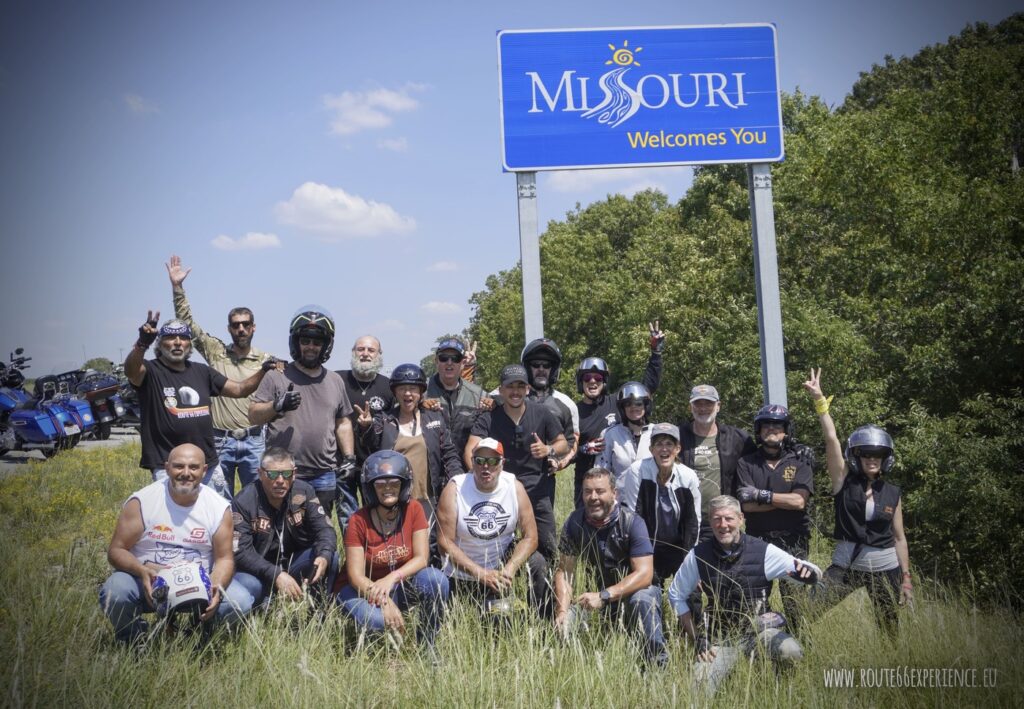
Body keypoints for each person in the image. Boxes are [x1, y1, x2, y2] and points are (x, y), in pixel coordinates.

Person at [667, 495, 821, 696]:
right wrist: (697, 638)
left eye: (729, 518)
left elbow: (808, 571)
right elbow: (676, 594)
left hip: (759, 632)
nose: (723, 525)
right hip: (719, 638)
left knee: (791, 652)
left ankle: (778, 690)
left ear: (741, 519)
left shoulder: (764, 551)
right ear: (710, 522)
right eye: (717, 519)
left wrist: (810, 574)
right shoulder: (698, 555)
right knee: (698, 691)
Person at [99, 444, 249, 644]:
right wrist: (141, 571)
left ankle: (202, 636)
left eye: (194, 467)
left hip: (199, 585)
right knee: (115, 591)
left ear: (204, 471)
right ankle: (133, 642)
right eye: (179, 466)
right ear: (167, 468)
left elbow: (224, 558)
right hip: (149, 583)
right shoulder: (142, 501)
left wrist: (215, 586)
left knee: (240, 601)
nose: (186, 473)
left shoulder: (218, 507)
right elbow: (116, 551)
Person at [803, 368, 912, 630]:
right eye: (866, 455)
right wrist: (820, 401)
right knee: (807, 612)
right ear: (857, 457)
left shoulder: (892, 492)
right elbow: (831, 440)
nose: (872, 460)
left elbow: (899, 537)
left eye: (877, 456)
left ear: (886, 459)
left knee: (889, 628)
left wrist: (906, 578)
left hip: (887, 569)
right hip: (846, 565)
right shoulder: (843, 481)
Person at [125, 311, 275, 498]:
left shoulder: (202, 371)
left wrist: (263, 371)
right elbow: (131, 372)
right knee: (175, 519)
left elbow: (239, 390)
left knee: (216, 514)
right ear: (160, 343)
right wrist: (141, 344)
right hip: (169, 465)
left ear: (190, 344)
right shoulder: (151, 371)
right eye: (170, 337)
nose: (177, 342)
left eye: (183, 337)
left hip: (207, 465)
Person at [168, 254, 277, 495]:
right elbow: (188, 325)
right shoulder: (215, 352)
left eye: (245, 324)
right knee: (215, 500)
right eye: (236, 325)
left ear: (253, 327)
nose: (241, 329)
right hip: (219, 440)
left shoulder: (266, 361)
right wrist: (178, 287)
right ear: (229, 328)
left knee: (257, 499)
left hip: (254, 440)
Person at [335, 451, 449, 654]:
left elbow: (422, 558)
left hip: (398, 585)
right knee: (379, 621)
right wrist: (383, 601)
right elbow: (355, 577)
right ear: (370, 488)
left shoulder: (414, 509)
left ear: (404, 485)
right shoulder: (358, 520)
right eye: (380, 484)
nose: (388, 489)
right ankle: (377, 650)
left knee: (436, 580)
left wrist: (392, 578)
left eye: (394, 483)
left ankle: (427, 646)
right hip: (361, 590)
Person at [248, 306, 356, 521]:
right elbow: (253, 415)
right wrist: (277, 406)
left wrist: (350, 457)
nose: (310, 347)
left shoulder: (335, 380)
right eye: (305, 341)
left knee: (320, 530)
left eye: (317, 342)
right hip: (283, 472)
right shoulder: (276, 376)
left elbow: (343, 422)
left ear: (326, 346)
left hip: (324, 472)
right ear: (296, 342)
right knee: (282, 529)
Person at [554, 467, 668, 668]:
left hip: (633, 592)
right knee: (566, 624)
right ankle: (568, 667)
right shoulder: (574, 522)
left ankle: (656, 665)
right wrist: (562, 610)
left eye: (600, 491)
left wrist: (604, 595)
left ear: (614, 493)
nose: (593, 497)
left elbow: (644, 574)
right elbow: (565, 571)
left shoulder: (632, 522)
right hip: (597, 596)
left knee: (643, 599)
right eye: (588, 491)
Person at [466, 364, 568, 579]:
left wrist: (548, 449)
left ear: (528, 389)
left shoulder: (542, 413)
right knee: (499, 548)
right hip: (502, 493)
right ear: (501, 390)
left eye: (520, 386)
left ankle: (545, 594)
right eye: (510, 386)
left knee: (548, 546)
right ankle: (503, 588)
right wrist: (482, 481)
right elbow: (470, 449)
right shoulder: (489, 418)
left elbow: (563, 443)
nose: (515, 391)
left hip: (538, 491)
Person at [436, 437, 544, 614]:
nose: (486, 466)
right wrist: (480, 573)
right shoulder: (455, 488)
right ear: (472, 462)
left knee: (537, 562)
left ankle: (540, 620)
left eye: (492, 461)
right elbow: (444, 543)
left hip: (500, 572)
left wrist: (510, 568)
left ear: (502, 464)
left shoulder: (514, 486)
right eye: (480, 461)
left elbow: (531, 537)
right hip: (462, 574)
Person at [231, 447, 339, 610]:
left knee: (331, 556)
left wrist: (324, 554)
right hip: (259, 571)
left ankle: (318, 615)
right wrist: (275, 574)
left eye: (286, 474)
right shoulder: (243, 502)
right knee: (250, 586)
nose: (280, 480)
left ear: (294, 474)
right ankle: (261, 611)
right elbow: (240, 551)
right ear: (260, 473)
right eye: (273, 474)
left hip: (293, 562)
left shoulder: (304, 492)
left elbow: (325, 529)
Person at [734, 404, 814, 624]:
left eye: (777, 425)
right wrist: (782, 500)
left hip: (794, 539)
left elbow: (799, 502)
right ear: (758, 431)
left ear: (786, 430)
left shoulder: (800, 460)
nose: (772, 429)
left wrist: (762, 495)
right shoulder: (746, 463)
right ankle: (761, 651)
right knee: (755, 601)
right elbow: (747, 506)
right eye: (766, 425)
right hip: (758, 541)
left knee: (796, 601)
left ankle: (801, 649)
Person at [573, 320, 665, 508]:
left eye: (597, 378)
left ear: (604, 381)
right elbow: (564, 450)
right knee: (586, 532)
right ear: (580, 382)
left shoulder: (616, 402)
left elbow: (645, 389)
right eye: (587, 378)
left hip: (619, 485)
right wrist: (583, 449)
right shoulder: (574, 412)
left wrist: (656, 355)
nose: (592, 381)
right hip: (586, 480)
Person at [357, 363, 463, 506]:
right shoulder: (383, 420)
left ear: (420, 392)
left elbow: (449, 455)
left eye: (413, 388)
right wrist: (366, 427)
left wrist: (458, 480)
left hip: (429, 500)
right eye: (402, 388)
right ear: (395, 392)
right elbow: (370, 444)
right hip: (394, 502)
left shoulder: (435, 419)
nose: (407, 393)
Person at [677, 384, 756, 542]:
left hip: (722, 520)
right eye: (698, 404)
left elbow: (762, 461)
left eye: (709, 403)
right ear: (690, 407)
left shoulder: (737, 438)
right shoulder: (677, 436)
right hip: (684, 519)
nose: (703, 408)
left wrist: (793, 449)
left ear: (718, 406)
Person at [628, 423, 700, 585]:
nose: (664, 449)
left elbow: (693, 522)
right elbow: (632, 516)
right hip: (647, 544)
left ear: (678, 449)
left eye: (669, 444)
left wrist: (690, 557)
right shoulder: (637, 471)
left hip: (678, 545)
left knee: (691, 593)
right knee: (646, 594)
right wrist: (639, 553)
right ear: (651, 449)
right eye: (659, 444)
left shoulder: (688, 476)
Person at [336, 335, 395, 518]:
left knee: (376, 517)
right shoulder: (336, 380)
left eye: (371, 350)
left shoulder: (389, 386)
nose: (365, 354)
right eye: (360, 349)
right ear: (353, 352)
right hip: (341, 465)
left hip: (375, 466)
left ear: (379, 354)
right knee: (348, 519)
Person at [424, 338, 492, 458]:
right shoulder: (421, 394)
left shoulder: (478, 395)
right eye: (444, 358)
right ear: (436, 361)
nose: (449, 362)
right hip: (431, 469)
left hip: (466, 470)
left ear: (463, 363)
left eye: (455, 358)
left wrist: (495, 403)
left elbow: (506, 405)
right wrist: (419, 407)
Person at [520, 338, 579, 472]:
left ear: (554, 369)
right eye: (535, 364)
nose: (541, 369)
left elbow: (572, 444)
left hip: (544, 480)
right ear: (527, 367)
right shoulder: (511, 397)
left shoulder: (567, 404)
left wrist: (557, 462)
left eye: (546, 365)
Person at [595, 382, 655, 482]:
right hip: (621, 496)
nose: (633, 407)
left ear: (646, 406)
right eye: (628, 404)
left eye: (638, 403)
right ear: (622, 408)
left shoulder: (657, 433)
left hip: (651, 495)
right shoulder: (610, 435)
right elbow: (601, 471)